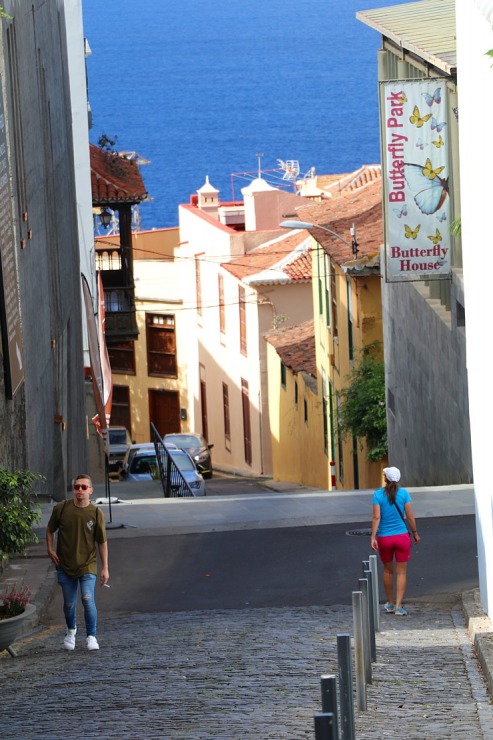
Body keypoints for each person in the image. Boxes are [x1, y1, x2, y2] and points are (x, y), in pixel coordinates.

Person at [46, 474, 109, 650]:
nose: (79, 490)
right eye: (76, 487)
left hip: (88, 564)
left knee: (87, 598)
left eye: (83, 487)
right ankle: (71, 631)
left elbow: (102, 542)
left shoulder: (96, 513)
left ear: (90, 490)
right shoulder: (62, 508)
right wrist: (50, 550)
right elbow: (50, 530)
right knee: (69, 603)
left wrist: (105, 568)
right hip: (65, 564)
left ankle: (91, 636)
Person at [370, 466, 420, 616]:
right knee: (401, 572)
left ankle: (390, 603)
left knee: (387, 571)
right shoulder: (404, 494)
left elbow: (376, 517)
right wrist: (415, 533)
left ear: (386, 478)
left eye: (384, 474)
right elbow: (410, 517)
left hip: (385, 537)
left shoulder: (378, 494)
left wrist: (373, 536)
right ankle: (399, 606)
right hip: (402, 537)